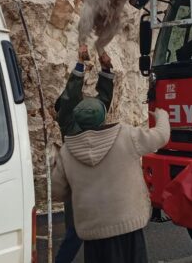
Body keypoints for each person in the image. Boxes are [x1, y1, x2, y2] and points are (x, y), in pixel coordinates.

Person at [51, 47, 171, 263]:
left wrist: (106, 69)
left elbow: (102, 100)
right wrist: (80, 64)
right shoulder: (116, 134)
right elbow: (73, 96)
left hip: (93, 219)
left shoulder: (70, 146)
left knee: (78, 237)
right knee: (72, 236)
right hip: (125, 220)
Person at [53, 45, 113, 263]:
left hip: (76, 189)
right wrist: (104, 69)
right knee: (94, 234)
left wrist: (83, 65)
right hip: (94, 187)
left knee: (75, 234)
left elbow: (77, 98)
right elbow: (102, 99)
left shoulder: (72, 125)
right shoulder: (82, 122)